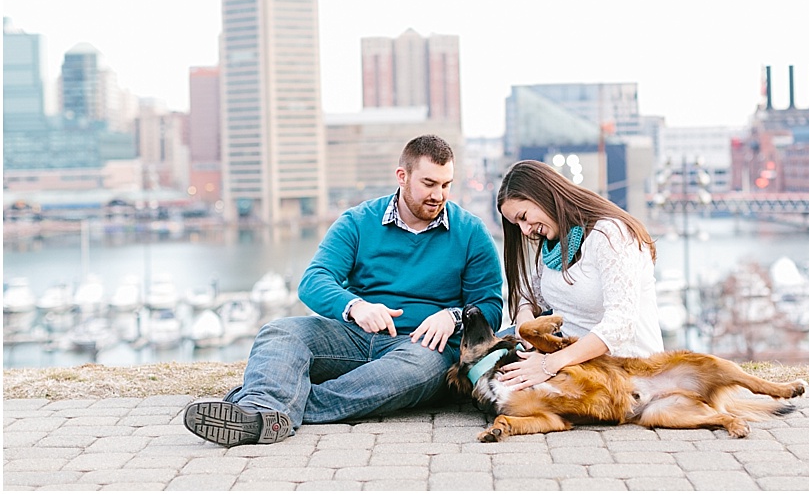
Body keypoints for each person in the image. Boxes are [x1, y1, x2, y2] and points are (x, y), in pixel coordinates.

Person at [183, 135, 504, 446]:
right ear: (402, 177)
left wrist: (453, 318)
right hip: (354, 335)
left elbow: (489, 305)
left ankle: (266, 410)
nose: (439, 195)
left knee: (415, 371)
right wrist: (355, 307)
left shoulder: (471, 231)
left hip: (423, 347)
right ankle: (267, 408)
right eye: (429, 184)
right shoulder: (358, 221)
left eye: (446, 185)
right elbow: (314, 280)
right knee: (280, 332)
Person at [494, 159, 661, 391]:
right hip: (572, 361)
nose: (524, 230)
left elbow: (620, 324)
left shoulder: (610, 235)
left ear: (543, 194)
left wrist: (548, 365)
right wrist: (525, 323)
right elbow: (531, 296)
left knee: (505, 392)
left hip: (623, 370)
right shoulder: (554, 244)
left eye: (523, 217)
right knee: (483, 367)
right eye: (517, 224)